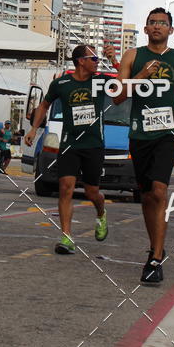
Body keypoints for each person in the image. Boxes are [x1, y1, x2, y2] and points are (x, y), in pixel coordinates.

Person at [111, 8, 174, 285]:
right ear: (146, 29)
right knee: (147, 195)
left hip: (168, 133)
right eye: (152, 23)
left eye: (163, 23)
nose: (157, 26)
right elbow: (117, 97)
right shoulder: (133, 56)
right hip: (140, 134)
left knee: (159, 191)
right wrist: (142, 77)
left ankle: (156, 259)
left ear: (171, 30)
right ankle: (155, 246)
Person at [25, 45, 108, 255]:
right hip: (70, 144)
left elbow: (124, 87)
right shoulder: (61, 83)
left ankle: (101, 212)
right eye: (94, 58)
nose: (97, 62)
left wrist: (114, 59)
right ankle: (67, 237)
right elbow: (44, 105)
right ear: (81, 61)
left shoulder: (99, 81)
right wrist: (34, 129)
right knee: (65, 188)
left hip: (93, 145)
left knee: (92, 192)